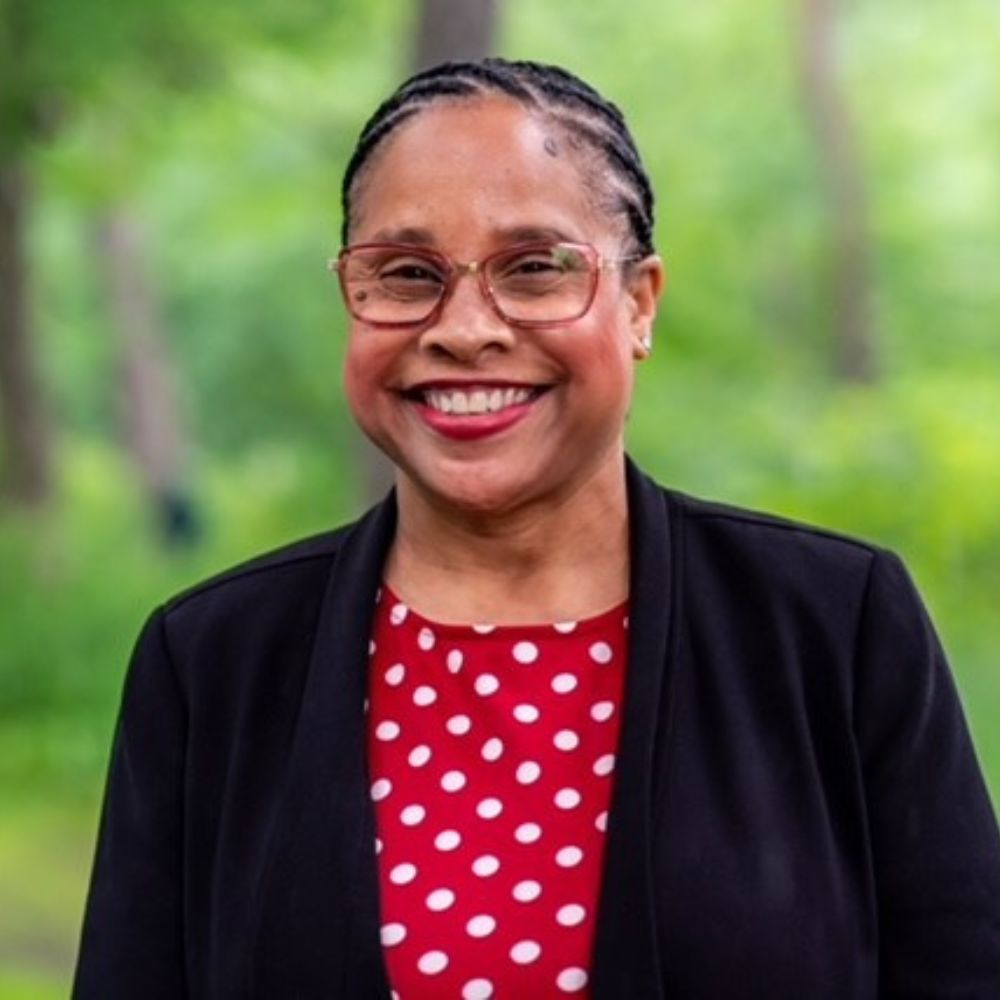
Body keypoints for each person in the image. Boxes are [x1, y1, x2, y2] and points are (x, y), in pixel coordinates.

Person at [73, 58, 1000, 999]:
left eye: (534, 268)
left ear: (639, 302)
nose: (465, 328)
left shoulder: (832, 629)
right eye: (404, 274)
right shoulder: (213, 664)